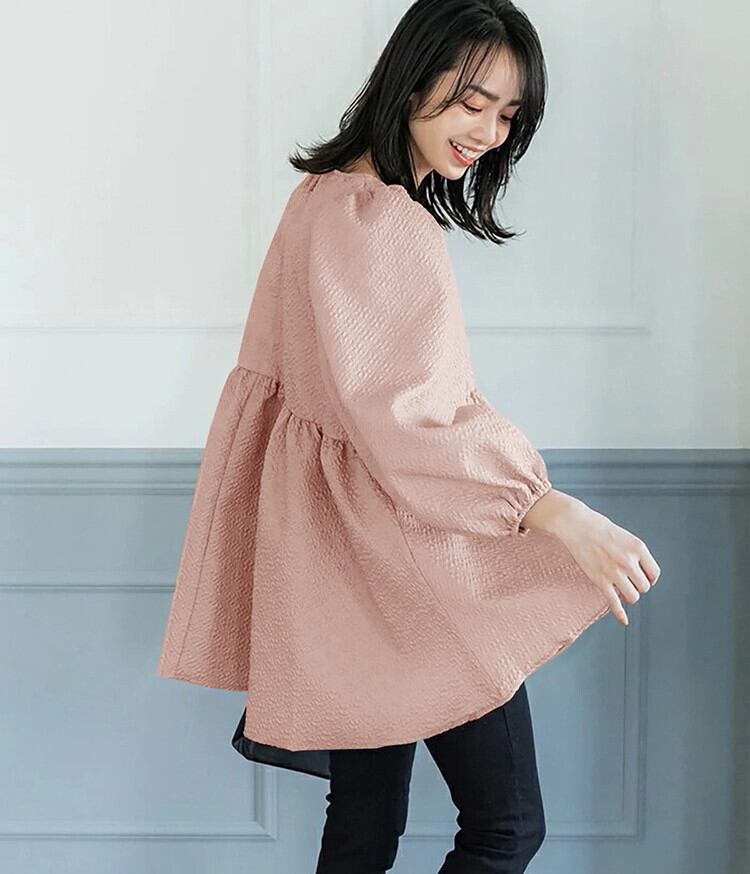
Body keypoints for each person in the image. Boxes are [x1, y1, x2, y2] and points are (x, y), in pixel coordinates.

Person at [157, 0, 661, 871]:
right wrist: (552, 509)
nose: (489, 134)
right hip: (403, 567)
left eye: (508, 115)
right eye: (473, 102)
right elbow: (414, 417)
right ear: (412, 78)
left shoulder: (320, 200)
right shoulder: (380, 220)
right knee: (505, 826)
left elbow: (326, 412)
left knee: (364, 824)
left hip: (335, 570)